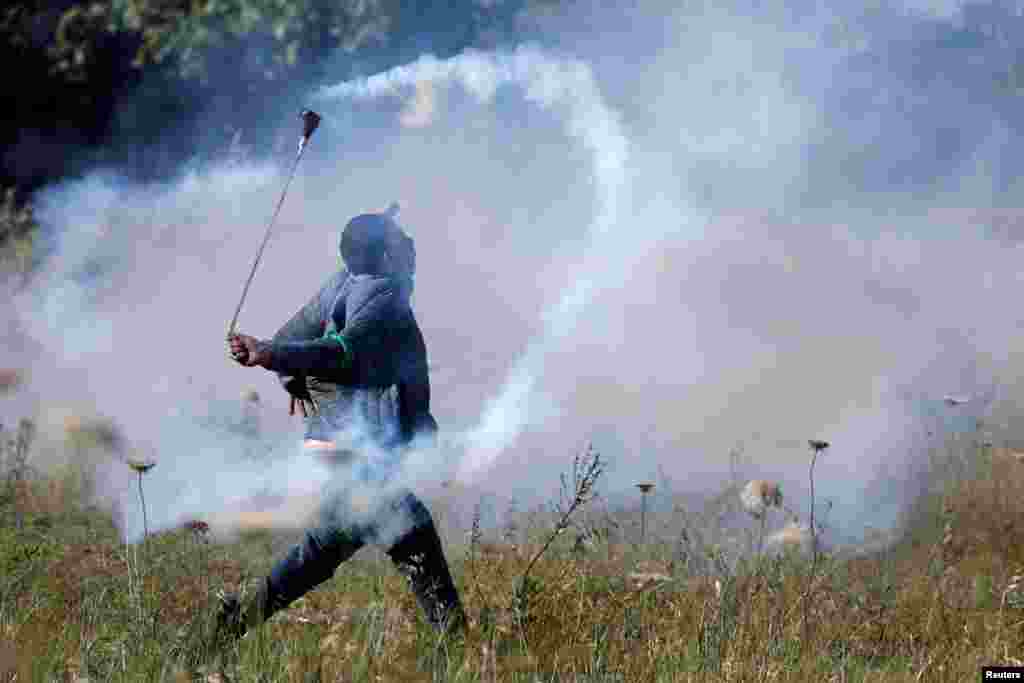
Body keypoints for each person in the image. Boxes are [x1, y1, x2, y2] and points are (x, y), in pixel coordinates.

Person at [215, 206, 465, 647]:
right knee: (412, 537)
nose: (409, 245)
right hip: (356, 452)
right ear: (385, 255)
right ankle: (465, 652)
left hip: (335, 448)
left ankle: (232, 625)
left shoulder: (343, 282)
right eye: (399, 239)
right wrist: (271, 356)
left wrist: (287, 371)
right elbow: (339, 351)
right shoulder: (385, 294)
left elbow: (293, 335)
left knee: (326, 548)